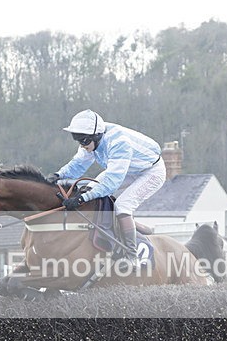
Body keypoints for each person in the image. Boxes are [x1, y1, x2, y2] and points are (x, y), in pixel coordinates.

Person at [52, 109, 165, 271]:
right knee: (88, 189)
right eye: (78, 141)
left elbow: (111, 183)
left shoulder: (119, 143)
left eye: (83, 141)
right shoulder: (91, 140)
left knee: (122, 206)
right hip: (128, 169)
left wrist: (82, 199)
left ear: (96, 136)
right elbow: (78, 164)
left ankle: (132, 257)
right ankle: (133, 227)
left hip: (151, 172)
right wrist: (57, 175)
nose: (82, 145)